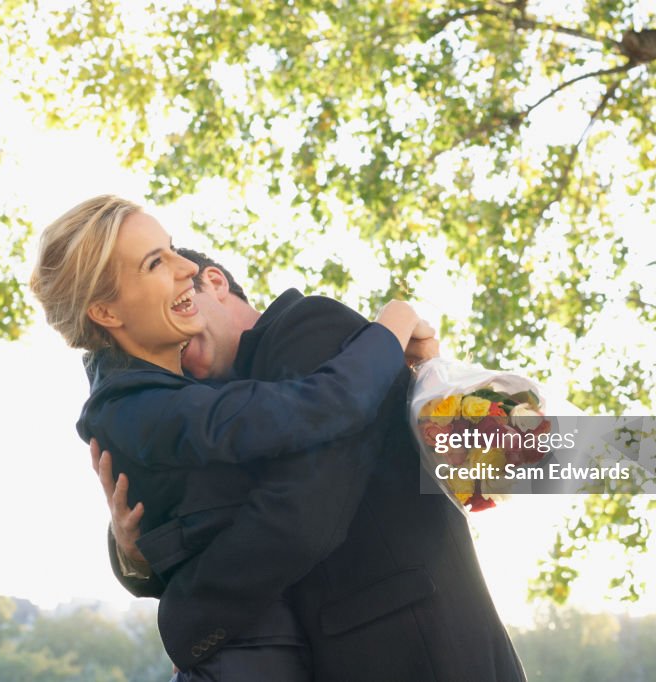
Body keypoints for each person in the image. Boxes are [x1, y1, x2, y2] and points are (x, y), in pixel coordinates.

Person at [30, 195, 434, 680]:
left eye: (173, 249)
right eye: (156, 262)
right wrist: (394, 323)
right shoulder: (145, 404)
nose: (186, 268)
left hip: (410, 645)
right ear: (106, 313)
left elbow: (280, 513)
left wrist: (513, 432)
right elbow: (325, 409)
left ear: (216, 283)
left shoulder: (300, 336)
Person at [101, 249, 529, 681]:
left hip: (424, 649)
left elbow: (303, 514)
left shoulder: (309, 327)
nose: (175, 345)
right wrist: (132, 554)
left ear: (213, 282)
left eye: (179, 313)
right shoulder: (220, 406)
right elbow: (203, 525)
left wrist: (188, 620)